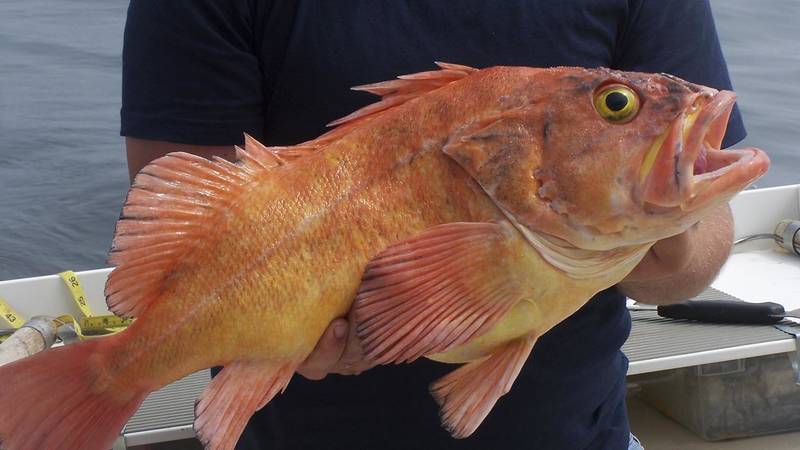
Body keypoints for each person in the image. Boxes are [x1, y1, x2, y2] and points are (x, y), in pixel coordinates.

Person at [120, 1, 744, 448]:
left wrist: (658, 223)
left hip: (580, 432)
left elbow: (700, 255)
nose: (630, 113)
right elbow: (187, 236)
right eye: (617, 105)